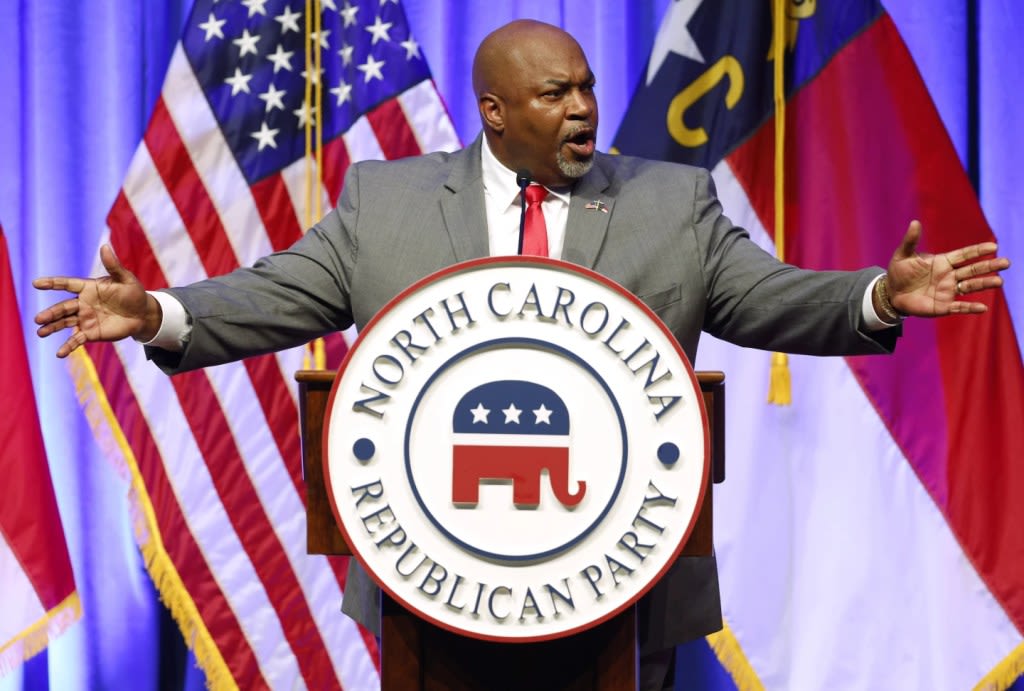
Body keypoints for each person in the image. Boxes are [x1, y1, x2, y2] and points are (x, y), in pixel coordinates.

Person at [34, 19, 1008, 691]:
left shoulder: (670, 201)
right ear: (495, 112)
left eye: (586, 86)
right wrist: (157, 311)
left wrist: (877, 296)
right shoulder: (391, 202)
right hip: (436, 583)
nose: (583, 108)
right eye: (555, 94)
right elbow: (277, 295)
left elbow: (763, 298)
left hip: (622, 586)